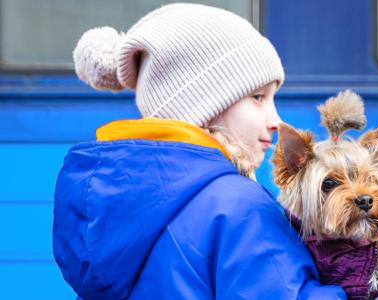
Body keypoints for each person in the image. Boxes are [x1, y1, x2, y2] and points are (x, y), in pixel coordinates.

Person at [53, 3, 346, 299]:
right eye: (258, 97)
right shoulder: (237, 205)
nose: (276, 121)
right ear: (203, 108)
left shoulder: (105, 203)